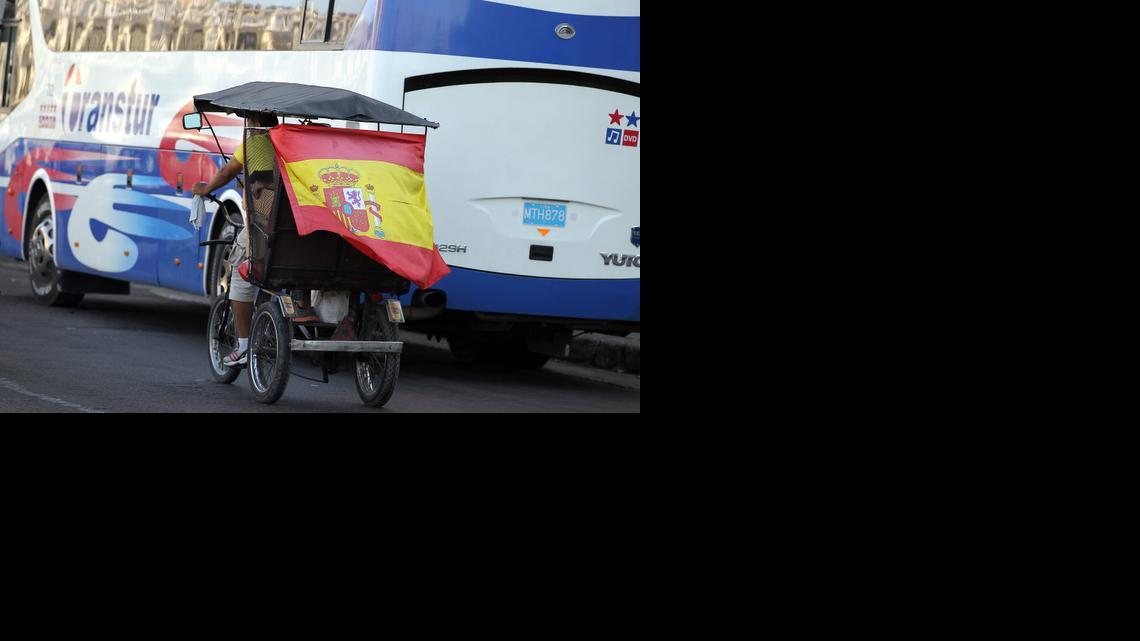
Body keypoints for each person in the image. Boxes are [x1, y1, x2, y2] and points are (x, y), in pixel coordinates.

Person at [192, 112, 279, 366]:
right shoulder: (292, 143)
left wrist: (205, 189)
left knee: (241, 275)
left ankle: (242, 346)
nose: (247, 125)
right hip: (294, 228)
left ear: (255, 123)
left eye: (248, 120)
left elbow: (228, 171)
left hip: (263, 224)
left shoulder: (256, 142)